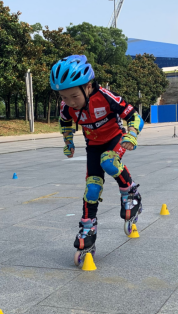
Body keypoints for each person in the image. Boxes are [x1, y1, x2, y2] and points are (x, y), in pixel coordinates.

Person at [51, 55, 144, 266]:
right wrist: (68, 142)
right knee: (92, 188)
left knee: (109, 162)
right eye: (64, 97)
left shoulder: (105, 96)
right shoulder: (67, 108)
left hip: (114, 140)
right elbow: (65, 123)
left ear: (88, 86)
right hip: (92, 146)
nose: (70, 102)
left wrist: (131, 135)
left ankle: (131, 193)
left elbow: (134, 116)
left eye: (74, 96)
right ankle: (87, 227)